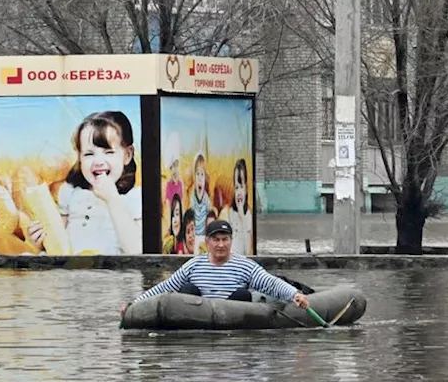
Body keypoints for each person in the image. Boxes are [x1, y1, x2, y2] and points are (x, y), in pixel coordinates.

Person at [127, 219, 310, 310]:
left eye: (225, 239)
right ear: (207, 241)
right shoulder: (193, 265)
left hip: (233, 316)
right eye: (216, 240)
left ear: (231, 241)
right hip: (198, 317)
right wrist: (133, 305)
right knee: (187, 289)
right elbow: (164, 288)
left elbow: (270, 283)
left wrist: (294, 294)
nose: (221, 245)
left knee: (243, 294)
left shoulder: (245, 266)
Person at [30, 110, 142, 255]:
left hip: (111, 274)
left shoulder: (133, 198)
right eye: (89, 154)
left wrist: (112, 199)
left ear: (127, 155)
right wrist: (40, 240)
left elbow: (137, 251)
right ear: (80, 158)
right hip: (71, 272)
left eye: (108, 152)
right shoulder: (70, 192)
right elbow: (57, 244)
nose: (98, 161)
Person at [227, 158, 253, 255]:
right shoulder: (230, 213)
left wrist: (242, 216)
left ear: (246, 189)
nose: (239, 192)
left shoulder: (248, 215)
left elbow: (247, 251)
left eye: (241, 187)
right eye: (236, 187)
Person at [189, 153, 211, 252]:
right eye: (197, 174)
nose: (200, 178)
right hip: (193, 238)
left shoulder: (207, 200)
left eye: (202, 174)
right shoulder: (191, 198)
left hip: (204, 238)